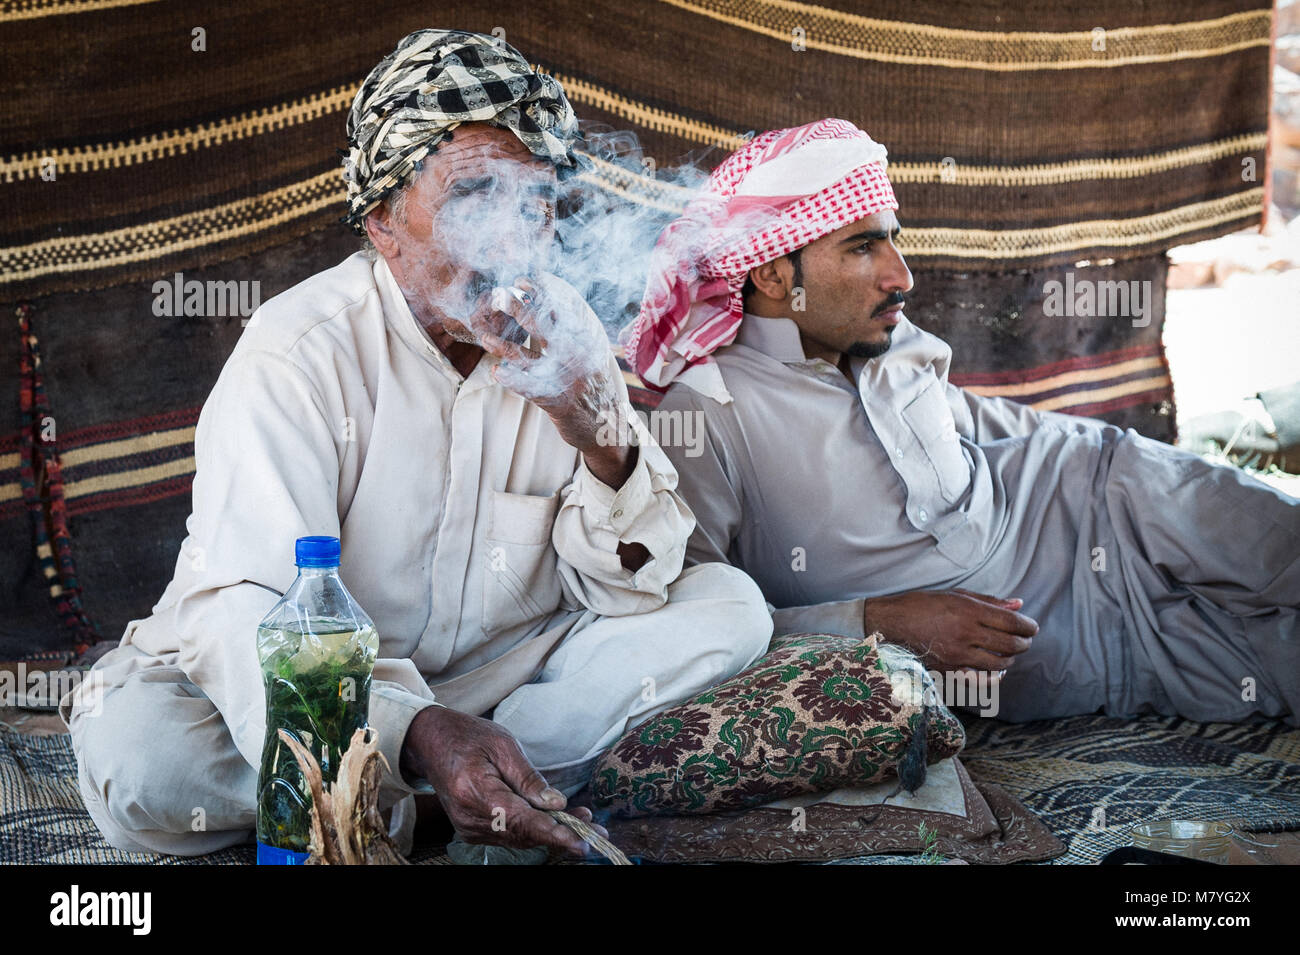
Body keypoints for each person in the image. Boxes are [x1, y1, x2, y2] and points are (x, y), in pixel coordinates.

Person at [61, 29, 772, 859]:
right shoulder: (300, 353)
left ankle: (452, 786)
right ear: (382, 222)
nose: (514, 238)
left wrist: (600, 441)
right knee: (144, 757)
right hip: (322, 688)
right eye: (474, 199)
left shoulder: (565, 338)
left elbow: (631, 585)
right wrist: (415, 730)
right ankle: (443, 792)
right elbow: (249, 607)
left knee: (727, 606)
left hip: (508, 681)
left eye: (536, 203)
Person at [629, 117, 1299, 727]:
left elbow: (979, 423)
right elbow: (698, 623)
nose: (902, 276)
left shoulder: (885, 334)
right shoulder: (709, 415)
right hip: (1073, 643)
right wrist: (874, 624)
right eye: (864, 247)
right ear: (774, 275)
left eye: (894, 241)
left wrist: (1119, 465)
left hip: (1113, 496)